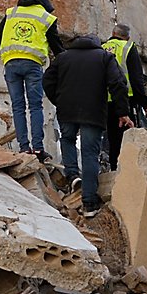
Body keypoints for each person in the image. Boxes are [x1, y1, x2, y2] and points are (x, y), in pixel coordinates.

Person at [43, 34, 133, 217]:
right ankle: (89, 204)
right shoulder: (105, 57)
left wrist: (59, 100)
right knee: (89, 152)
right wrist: (122, 112)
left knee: (67, 140)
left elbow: (47, 81)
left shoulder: (63, 57)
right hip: (93, 111)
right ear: (97, 45)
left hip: (67, 109)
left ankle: (72, 176)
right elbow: (118, 83)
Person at [0, 0, 64, 162]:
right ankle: (38, 148)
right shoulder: (46, 17)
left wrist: (7, 52)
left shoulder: (11, 13)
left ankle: (24, 148)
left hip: (11, 63)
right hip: (32, 64)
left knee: (18, 107)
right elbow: (56, 46)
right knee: (35, 106)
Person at [101, 24, 147, 171]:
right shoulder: (128, 47)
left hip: (105, 101)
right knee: (126, 138)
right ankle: (127, 171)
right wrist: (144, 104)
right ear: (128, 37)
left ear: (113, 33)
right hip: (125, 100)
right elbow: (136, 78)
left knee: (111, 138)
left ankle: (113, 169)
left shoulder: (101, 48)